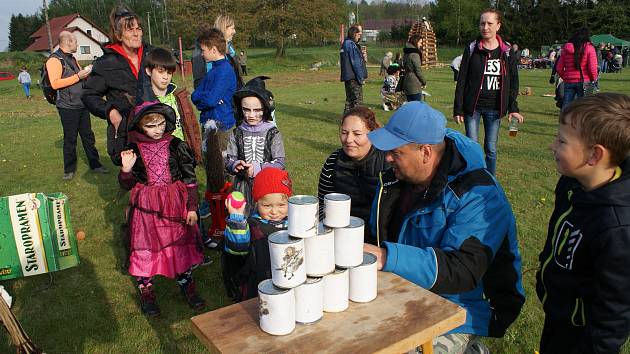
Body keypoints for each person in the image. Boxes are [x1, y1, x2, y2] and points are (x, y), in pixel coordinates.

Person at [364, 102, 525, 354]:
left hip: (461, 307)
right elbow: (375, 234)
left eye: (396, 151)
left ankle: (470, 348)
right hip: (402, 290)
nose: (387, 157)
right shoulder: (395, 179)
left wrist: (387, 257)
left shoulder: (479, 195)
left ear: (426, 152)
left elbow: (462, 270)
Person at [536, 93, 630, 354]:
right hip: (558, 317)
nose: (552, 146)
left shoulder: (617, 227)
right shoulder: (570, 185)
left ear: (594, 155)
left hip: (583, 338)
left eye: (562, 141)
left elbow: (614, 313)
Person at [119, 102, 205, 317]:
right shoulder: (134, 148)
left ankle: (187, 285)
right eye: (151, 126)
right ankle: (146, 290)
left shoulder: (176, 145)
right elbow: (126, 184)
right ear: (140, 127)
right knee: (145, 247)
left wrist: (192, 207)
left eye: (161, 123)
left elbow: (190, 179)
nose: (158, 129)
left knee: (178, 245)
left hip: (175, 203)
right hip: (146, 207)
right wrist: (126, 170)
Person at [453, 8, 524, 175]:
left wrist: (513, 107)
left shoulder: (507, 51)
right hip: (473, 107)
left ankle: (489, 180)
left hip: (495, 108)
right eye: (482, 23)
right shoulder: (472, 48)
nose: (485, 27)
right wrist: (458, 108)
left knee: (490, 148)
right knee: (472, 147)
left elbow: (514, 82)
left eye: (489, 23)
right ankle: (472, 177)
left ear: (498, 26)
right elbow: (462, 79)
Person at [82, 5, 150, 165]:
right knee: (134, 178)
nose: (136, 33)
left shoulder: (152, 55)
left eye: (138, 28)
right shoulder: (106, 63)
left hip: (156, 126)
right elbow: (89, 95)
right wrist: (110, 111)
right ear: (119, 35)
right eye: (130, 30)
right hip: (126, 131)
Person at [318, 107, 388, 243]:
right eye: (344, 133)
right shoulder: (333, 162)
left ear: (372, 134)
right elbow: (322, 204)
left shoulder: (387, 162)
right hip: (341, 237)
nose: (349, 139)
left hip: (380, 241)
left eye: (357, 134)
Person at [222, 167, 292, 302]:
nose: (274, 211)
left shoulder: (294, 224)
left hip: (287, 282)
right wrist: (236, 220)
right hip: (258, 286)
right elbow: (237, 248)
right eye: (267, 206)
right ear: (256, 203)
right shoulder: (251, 226)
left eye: (281, 205)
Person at [46, 31, 107, 180]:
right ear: (68, 42)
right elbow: (55, 83)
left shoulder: (72, 58)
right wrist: (78, 76)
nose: (77, 45)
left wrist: (87, 72)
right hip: (67, 106)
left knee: (88, 137)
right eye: (75, 42)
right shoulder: (54, 60)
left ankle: (95, 164)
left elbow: (79, 78)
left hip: (81, 104)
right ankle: (69, 170)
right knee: (70, 138)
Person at [226, 76, 285, 210]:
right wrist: (235, 165)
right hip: (242, 187)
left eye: (257, 110)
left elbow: (280, 164)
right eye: (246, 110)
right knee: (243, 220)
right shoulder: (237, 133)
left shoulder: (272, 133)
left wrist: (256, 168)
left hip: (268, 187)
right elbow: (229, 160)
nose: (251, 115)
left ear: (265, 109)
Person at [142, 47, 186, 141]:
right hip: (159, 151)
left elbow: (191, 127)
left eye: (169, 73)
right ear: (149, 71)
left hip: (182, 149)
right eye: (160, 71)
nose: (165, 77)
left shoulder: (179, 97)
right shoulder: (144, 102)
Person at [556, 27, 598, 108]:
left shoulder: (566, 49)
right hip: (584, 81)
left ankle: (564, 120)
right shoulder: (589, 48)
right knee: (582, 107)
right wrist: (593, 79)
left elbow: (559, 68)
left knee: (566, 105)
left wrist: (565, 77)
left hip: (569, 81)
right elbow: (592, 68)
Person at [340, 25, 367, 114]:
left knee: (349, 101)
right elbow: (355, 63)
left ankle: (346, 119)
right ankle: (356, 121)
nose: (360, 37)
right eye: (359, 34)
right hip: (354, 78)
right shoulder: (351, 45)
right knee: (357, 101)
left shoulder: (345, 44)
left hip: (348, 77)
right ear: (354, 34)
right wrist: (361, 78)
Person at [402, 34, 427, 102]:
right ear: (415, 42)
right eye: (420, 42)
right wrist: (424, 82)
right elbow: (418, 71)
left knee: (410, 105)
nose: (421, 45)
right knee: (416, 106)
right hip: (414, 83)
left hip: (406, 80)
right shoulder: (415, 54)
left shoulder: (406, 53)